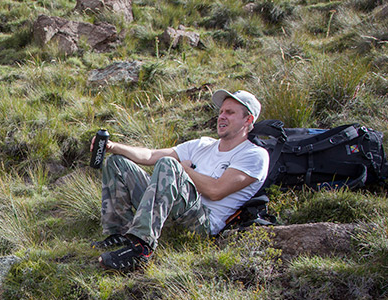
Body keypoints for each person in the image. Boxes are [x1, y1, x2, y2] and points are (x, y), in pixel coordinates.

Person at [92, 89, 269, 271]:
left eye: (230, 113)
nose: (222, 116)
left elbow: (216, 191)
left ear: (248, 120)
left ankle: (142, 249)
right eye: (221, 111)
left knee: (169, 165)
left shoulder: (254, 155)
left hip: (202, 222)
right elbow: (150, 155)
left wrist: (184, 170)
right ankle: (119, 233)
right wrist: (112, 146)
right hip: (171, 210)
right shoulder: (203, 145)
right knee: (117, 163)